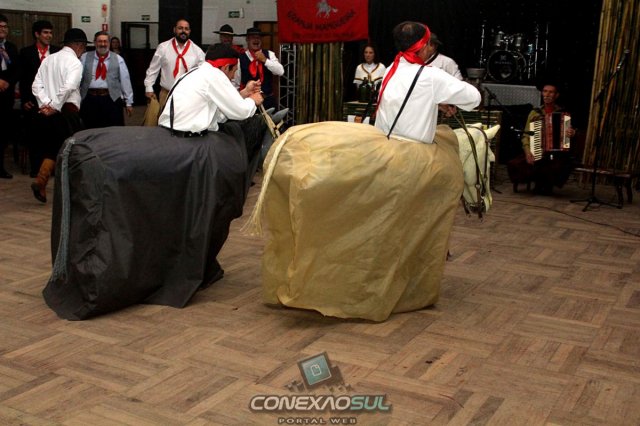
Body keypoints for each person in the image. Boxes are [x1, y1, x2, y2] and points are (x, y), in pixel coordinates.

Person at [375, 21, 480, 143]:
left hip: (384, 145)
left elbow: (399, 101)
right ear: (424, 46)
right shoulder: (431, 75)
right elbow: (474, 98)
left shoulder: (391, 69)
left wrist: (434, 102)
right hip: (413, 150)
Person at [30, 28, 88, 203]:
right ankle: (73, 188)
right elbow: (69, 86)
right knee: (72, 149)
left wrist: (46, 103)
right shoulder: (75, 62)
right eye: (84, 47)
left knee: (53, 147)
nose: (83, 51)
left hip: (48, 112)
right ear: (79, 45)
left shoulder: (49, 59)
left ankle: (41, 181)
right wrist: (54, 106)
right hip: (67, 111)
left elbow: (36, 85)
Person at [158, 43, 263, 134]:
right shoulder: (215, 74)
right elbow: (241, 112)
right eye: (234, 71)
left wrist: (244, 94)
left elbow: (219, 114)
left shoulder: (195, 72)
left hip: (169, 133)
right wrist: (253, 100)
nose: (233, 77)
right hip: (188, 140)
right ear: (226, 67)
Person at [508, 82, 576, 194]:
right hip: (536, 149)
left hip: (555, 153)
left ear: (556, 95)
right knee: (515, 164)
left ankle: (545, 185)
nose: (547, 95)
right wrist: (528, 152)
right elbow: (526, 135)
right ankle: (540, 184)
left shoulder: (562, 113)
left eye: (551, 92)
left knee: (559, 165)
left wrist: (571, 133)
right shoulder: (535, 113)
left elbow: (568, 135)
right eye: (545, 91)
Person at [19, 20, 60, 178]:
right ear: (37, 34)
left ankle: (52, 168)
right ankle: (36, 168)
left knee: (53, 135)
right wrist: (25, 99)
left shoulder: (56, 52)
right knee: (35, 135)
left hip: (53, 101)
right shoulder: (26, 52)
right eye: (45, 32)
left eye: (50, 32)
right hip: (33, 101)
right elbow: (23, 78)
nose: (49, 36)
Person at [144, 18, 205, 111]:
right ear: (174, 30)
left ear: (189, 31)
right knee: (164, 119)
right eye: (180, 28)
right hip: (166, 94)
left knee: (185, 119)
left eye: (186, 29)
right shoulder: (163, 47)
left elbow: (203, 74)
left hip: (188, 95)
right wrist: (148, 87)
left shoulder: (197, 51)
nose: (183, 31)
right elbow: (153, 69)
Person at [79, 31, 134, 128]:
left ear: (109, 43)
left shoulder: (118, 59)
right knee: (89, 128)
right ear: (95, 42)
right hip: (90, 99)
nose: (103, 44)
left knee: (113, 129)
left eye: (105, 41)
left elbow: (125, 81)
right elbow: (78, 78)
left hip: (111, 99)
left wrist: (128, 102)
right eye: (100, 41)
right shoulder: (85, 57)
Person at [237, 27, 284, 110]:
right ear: (247, 40)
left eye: (258, 37)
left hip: (268, 101)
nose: (256, 40)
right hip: (249, 102)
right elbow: (236, 83)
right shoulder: (240, 58)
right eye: (253, 37)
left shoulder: (269, 54)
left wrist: (265, 60)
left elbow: (281, 71)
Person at [0, 14, 18, 179]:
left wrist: (7, 82)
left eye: (5, 26)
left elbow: (16, 70)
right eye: (0, 26)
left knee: (3, 132)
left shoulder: (11, 47)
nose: (3, 29)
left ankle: (1, 167)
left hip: (6, 95)